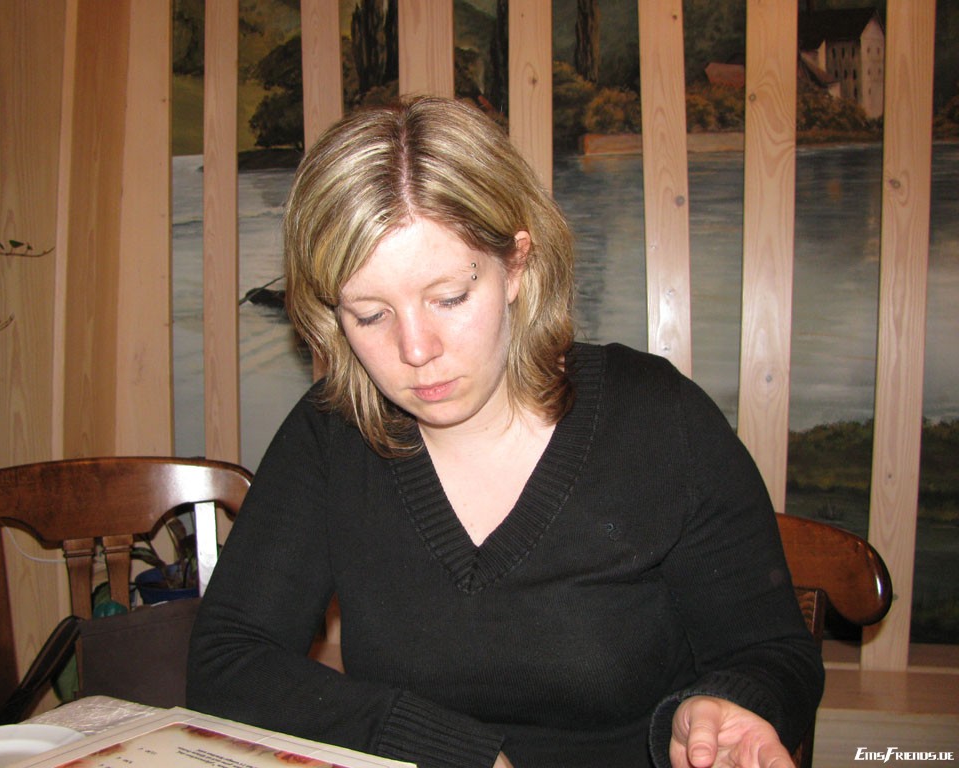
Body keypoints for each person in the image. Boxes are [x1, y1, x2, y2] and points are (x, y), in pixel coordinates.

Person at [187, 96, 824, 768]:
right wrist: (442, 751)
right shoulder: (331, 434)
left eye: (449, 298)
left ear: (516, 264)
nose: (416, 350)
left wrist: (730, 702)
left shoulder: (660, 420)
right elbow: (227, 661)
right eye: (370, 314)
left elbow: (771, 650)